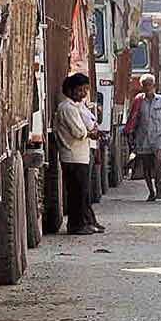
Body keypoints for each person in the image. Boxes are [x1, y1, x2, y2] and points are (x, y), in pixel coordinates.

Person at [54, 73, 104, 235]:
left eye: (85, 90)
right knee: (76, 193)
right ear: (71, 89)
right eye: (80, 90)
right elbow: (79, 131)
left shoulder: (76, 106)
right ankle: (76, 225)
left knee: (81, 193)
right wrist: (90, 133)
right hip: (72, 156)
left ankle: (83, 223)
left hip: (80, 155)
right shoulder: (67, 108)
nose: (83, 94)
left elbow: (91, 124)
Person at [128, 74, 161, 201]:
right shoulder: (138, 101)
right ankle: (151, 191)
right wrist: (131, 137)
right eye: (145, 85)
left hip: (158, 137)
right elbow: (133, 120)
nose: (147, 88)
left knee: (158, 162)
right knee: (146, 166)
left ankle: (159, 187)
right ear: (142, 87)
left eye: (149, 85)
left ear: (154, 86)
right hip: (143, 138)